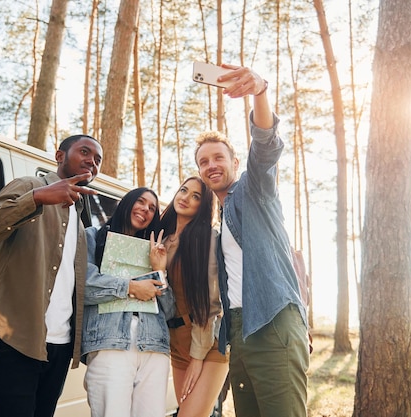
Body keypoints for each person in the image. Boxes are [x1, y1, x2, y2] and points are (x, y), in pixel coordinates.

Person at [194, 64, 310, 417]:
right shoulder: (220, 223)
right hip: (239, 332)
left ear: (234, 161)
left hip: (273, 321)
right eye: (202, 162)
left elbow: (265, 146)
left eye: (218, 158)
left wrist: (259, 91)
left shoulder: (253, 189)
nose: (210, 165)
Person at [0, 134, 103, 417]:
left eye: (98, 159)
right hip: (14, 342)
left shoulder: (79, 215)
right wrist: (36, 198)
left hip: (60, 348)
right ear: (60, 156)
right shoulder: (30, 185)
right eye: (85, 152)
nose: (92, 161)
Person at [82, 187, 175, 417]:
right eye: (141, 202)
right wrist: (130, 287)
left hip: (154, 345)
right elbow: (84, 286)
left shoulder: (155, 250)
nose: (146, 209)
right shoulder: (93, 237)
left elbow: (170, 310)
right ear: (127, 202)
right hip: (110, 342)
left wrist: (159, 271)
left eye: (152, 208)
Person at [158, 176, 229, 417]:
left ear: (203, 206)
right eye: (183, 190)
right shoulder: (162, 240)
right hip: (176, 342)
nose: (186, 198)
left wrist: (198, 356)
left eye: (196, 196)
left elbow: (209, 302)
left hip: (208, 343)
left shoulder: (207, 239)